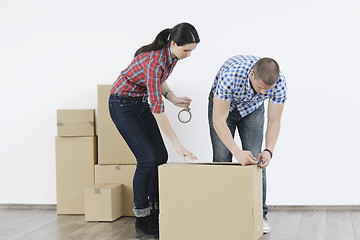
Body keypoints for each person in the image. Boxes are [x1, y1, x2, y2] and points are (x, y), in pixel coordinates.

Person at [108, 22, 199, 238]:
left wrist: (173, 97)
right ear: (174, 43)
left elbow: (160, 82)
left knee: (160, 156)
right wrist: (178, 143)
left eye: (191, 51)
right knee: (147, 160)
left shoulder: (172, 57)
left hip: (138, 102)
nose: (188, 55)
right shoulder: (155, 61)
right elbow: (158, 110)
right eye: (186, 50)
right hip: (122, 104)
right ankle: (142, 218)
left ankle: (157, 209)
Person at [208, 55, 287, 234]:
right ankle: (222, 213)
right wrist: (237, 152)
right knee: (222, 157)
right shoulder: (231, 76)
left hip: (252, 109)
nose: (263, 93)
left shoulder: (280, 82)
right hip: (224, 107)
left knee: (257, 160)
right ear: (251, 74)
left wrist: (269, 151)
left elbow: (274, 121)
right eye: (260, 87)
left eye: (268, 90)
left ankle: (260, 215)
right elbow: (219, 120)